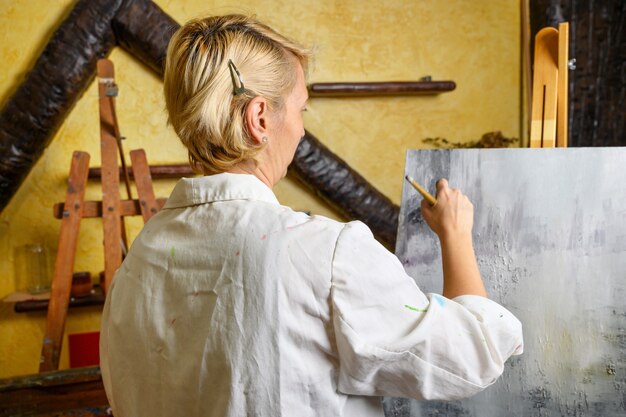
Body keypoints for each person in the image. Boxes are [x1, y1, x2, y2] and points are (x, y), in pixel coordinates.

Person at [100, 14, 523, 417]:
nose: (302, 129)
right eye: (301, 109)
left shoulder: (138, 260)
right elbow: (472, 356)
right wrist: (456, 235)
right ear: (259, 118)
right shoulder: (325, 255)